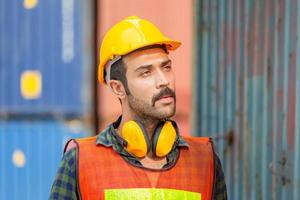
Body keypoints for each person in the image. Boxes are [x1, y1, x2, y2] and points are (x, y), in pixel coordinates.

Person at [50, 16, 227, 200]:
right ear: (118, 88)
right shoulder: (80, 161)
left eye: (166, 67)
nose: (163, 81)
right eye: (146, 73)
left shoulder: (205, 160)